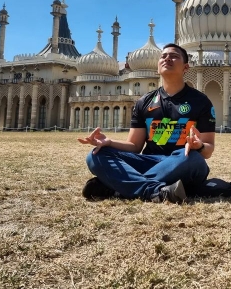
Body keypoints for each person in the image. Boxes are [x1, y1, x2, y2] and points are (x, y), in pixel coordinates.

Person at [78, 43, 216, 203]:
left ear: (186, 67)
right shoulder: (145, 102)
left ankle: (118, 187)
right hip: (149, 162)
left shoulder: (201, 102)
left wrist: (199, 146)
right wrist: (109, 142)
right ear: (157, 67)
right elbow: (134, 146)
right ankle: (155, 191)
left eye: (174, 56)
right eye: (163, 56)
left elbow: (208, 151)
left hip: (182, 162)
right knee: (96, 155)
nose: (167, 59)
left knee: (194, 159)